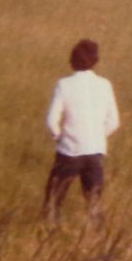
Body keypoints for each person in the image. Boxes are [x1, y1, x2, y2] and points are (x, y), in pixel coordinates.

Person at [44, 39, 119, 223]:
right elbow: (114, 121)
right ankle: (97, 234)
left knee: (53, 200)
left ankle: (51, 231)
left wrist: (59, 137)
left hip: (69, 151)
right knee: (94, 202)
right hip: (95, 150)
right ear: (95, 61)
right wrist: (98, 135)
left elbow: (52, 120)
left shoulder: (64, 84)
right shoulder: (105, 85)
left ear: (72, 61)